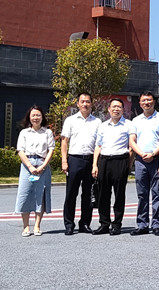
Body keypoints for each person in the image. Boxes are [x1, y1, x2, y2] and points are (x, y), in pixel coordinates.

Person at [91, 98, 135, 236]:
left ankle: (117, 224)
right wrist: (95, 165)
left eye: (119, 107)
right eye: (113, 107)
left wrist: (128, 165)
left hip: (120, 160)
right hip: (104, 161)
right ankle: (104, 224)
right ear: (109, 109)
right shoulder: (103, 126)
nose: (116, 109)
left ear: (123, 109)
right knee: (103, 194)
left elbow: (131, 147)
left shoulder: (129, 125)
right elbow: (98, 146)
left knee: (119, 194)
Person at [61, 92, 100, 235]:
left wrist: (95, 164)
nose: (85, 104)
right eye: (82, 101)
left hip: (90, 160)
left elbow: (98, 144)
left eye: (88, 101)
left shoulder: (97, 122)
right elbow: (64, 141)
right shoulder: (70, 120)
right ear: (77, 104)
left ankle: (84, 223)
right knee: (71, 193)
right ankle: (69, 224)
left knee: (88, 194)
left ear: (91, 104)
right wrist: (64, 161)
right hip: (74, 160)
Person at [129, 91, 159, 236]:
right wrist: (141, 154)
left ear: (154, 102)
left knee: (157, 193)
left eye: (149, 100)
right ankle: (142, 224)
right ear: (140, 103)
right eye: (144, 100)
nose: (147, 103)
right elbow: (132, 141)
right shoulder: (135, 120)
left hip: (156, 160)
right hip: (140, 161)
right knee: (142, 194)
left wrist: (153, 154)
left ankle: (156, 224)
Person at [14, 105, 55, 237]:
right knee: (25, 194)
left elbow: (51, 150)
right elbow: (20, 151)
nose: (36, 118)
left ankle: (37, 225)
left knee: (40, 195)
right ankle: (26, 226)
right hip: (27, 165)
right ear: (29, 117)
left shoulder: (47, 132)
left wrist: (43, 166)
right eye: (33, 115)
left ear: (42, 117)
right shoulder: (24, 133)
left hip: (42, 164)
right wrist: (30, 167)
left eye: (38, 115)